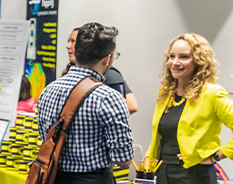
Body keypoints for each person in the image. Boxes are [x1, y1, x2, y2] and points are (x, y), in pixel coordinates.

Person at [36, 22, 133, 183]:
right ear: (107, 58)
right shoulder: (109, 97)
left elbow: (44, 138)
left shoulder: (48, 90)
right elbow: (123, 159)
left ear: (77, 51)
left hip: (53, 177)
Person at [147, 33, 233, 184]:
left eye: (184, 57)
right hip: (162, 172)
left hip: (195, 175)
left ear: (200, 61)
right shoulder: (166, 93)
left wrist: (216, 156)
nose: (175, 62)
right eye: (171, 56)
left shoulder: (212, 93)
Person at [65, 27, 138, 114]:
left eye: (73, 41)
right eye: (68, 41)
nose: (68, 46)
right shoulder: (70, 72)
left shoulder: (109, 74)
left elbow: (131, 105)